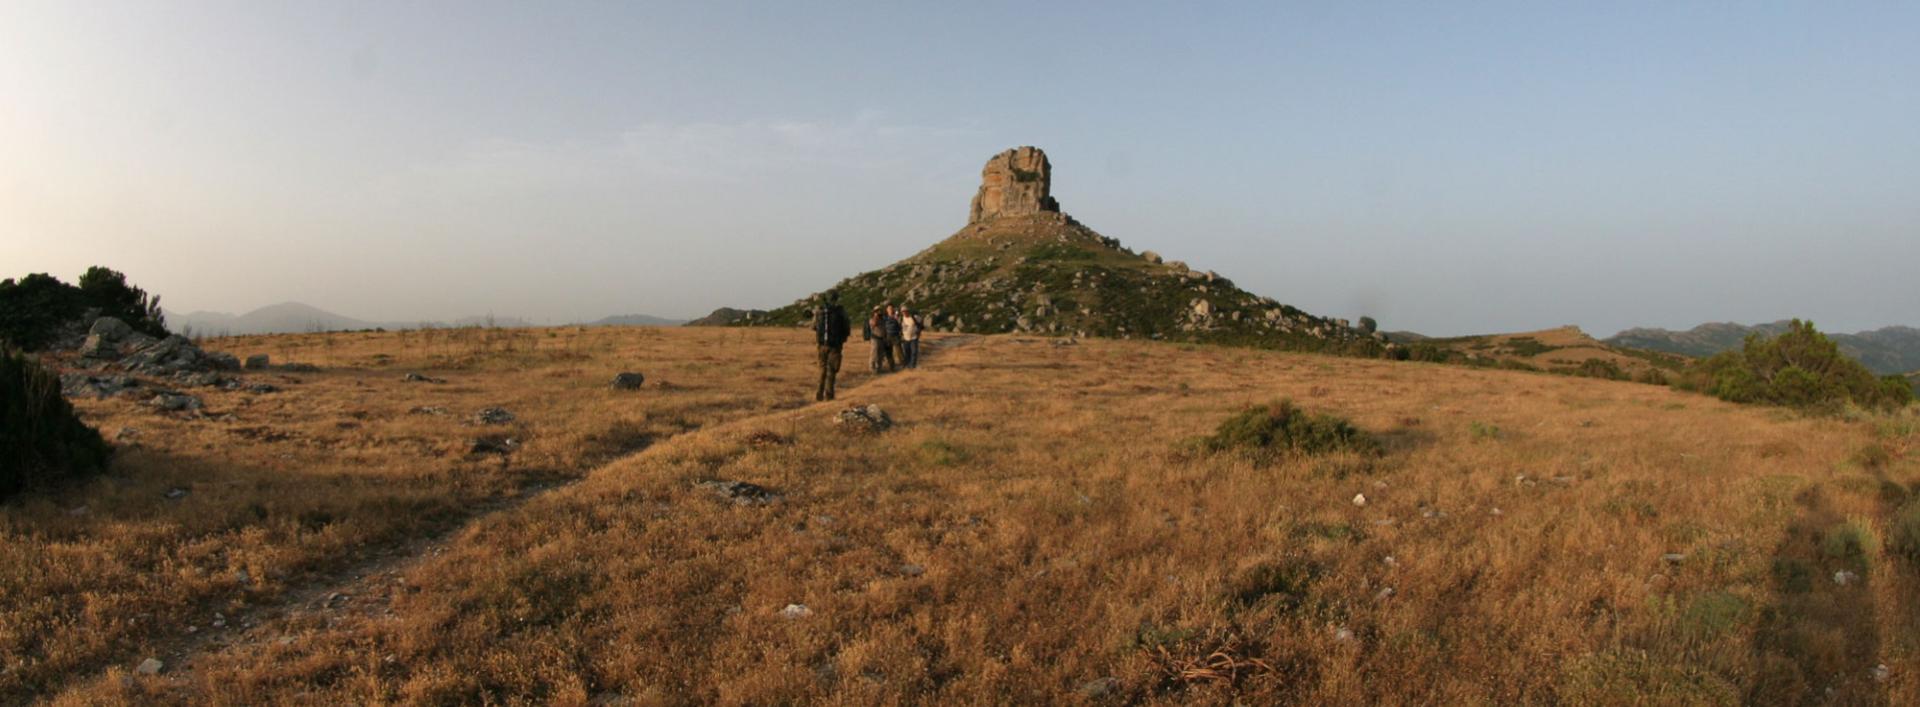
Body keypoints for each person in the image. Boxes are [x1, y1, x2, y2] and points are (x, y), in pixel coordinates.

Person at [812, 290, 851, 401]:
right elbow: (846, 327)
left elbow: (813, 326)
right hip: (835, 345)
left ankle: (819, 393)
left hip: (821, 345)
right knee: (832, 370)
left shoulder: (820, 311)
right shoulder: (840, 311)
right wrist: (842, 338)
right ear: (836, 298)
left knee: (822, 370)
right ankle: (829, 395)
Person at [882, 304, 905, 371]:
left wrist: (897, 319)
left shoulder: (897, 317)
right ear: (886, 310)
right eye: (889, 308)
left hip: (896, 336)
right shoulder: (884, 318)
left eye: (892, 308)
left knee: (899, 352)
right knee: (889, 353)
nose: (890, 310)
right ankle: (892, 367)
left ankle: (903, 365)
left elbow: (901, 326)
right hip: (887, 336)